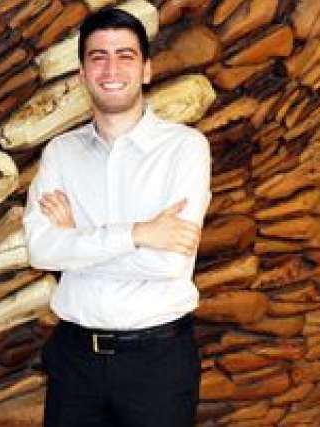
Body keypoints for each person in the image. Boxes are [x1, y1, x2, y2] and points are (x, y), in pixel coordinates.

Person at [23, 7, 211, 427]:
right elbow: (41, 250)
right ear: (82, 74)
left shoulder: (184, 148)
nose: (111, 69)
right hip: (75, 362)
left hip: (157, 366)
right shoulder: (60, 153)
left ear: (146, 70)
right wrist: (139, 234)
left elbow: (168, 264)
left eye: (125, 56)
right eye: (98, 57)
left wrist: (76, 243)